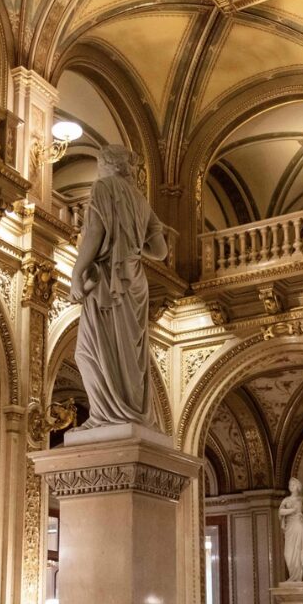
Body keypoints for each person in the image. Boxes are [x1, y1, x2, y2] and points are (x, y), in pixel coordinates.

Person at [70, 145, 169, 428]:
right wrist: (132, 247)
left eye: (99, 165)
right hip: (134, 280)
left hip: (107, 280)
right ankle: (126, 414)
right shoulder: (141, 201)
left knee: (87, 352)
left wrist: (76, 274)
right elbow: (160, 251)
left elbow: (94, 232)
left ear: (108, 164)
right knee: (128, 355)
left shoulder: (104, 187)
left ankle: (105, 416)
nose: (98, 170)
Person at [279, 478, 303, 583]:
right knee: (288, 553)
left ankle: (298, 577)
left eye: (293, 485)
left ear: (298, 487)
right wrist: (292, 510)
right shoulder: (286, 500)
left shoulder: (302, 499)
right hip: (290, 527)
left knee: (298, 550)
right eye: (290, 484)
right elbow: (280, 512)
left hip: (298, 525)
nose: (291, 486)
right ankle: (293, 576)